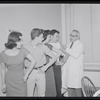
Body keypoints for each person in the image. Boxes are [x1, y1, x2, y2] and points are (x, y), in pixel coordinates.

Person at [24, 28, 61, 97]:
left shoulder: (43, 47)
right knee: (29, 94)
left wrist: (46, 67)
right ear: (36, 37)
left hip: (40, 72)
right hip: (29, 72)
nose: (43, 38)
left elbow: (54, 57)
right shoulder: (25, 47)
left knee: (42, 94)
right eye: (41, 37)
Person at [0, 31, 36, 96]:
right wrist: (3, 83)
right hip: (9, 81)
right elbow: (2, 69)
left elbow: (33, 61)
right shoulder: (3, 54)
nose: (22, 43)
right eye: (20, 41)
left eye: (22, 41)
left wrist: (27, 74)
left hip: (21, 80)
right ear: (13, 41)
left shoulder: (23, 50)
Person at [62, 30, 84, 97]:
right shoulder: (69, 44)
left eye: (73, 36)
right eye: (70, 35)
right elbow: (66, 54)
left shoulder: (80, 44)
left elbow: (75, 54)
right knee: (69, 88)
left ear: (77, 37)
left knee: (77, 88)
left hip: (76, 71)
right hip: (69, 70)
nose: (71, 37)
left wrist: (67, 49)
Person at [42, 29, 62, 97]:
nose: (50, 38)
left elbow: (60, 52)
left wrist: (55, 60)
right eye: (49, 37)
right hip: (44, 68)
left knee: (53, 87)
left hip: (49, 67)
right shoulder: (42, 45)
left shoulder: (48, 45)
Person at [49, 29, 63, 97]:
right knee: (51, 86)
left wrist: (61, 61)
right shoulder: (47, 44)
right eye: (56, 36)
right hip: (49, 67)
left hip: (57, 67)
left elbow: (64, 54)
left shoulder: (58, 44)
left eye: (58, 37)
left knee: (58, 85)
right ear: (51, 36)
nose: (57, 38)